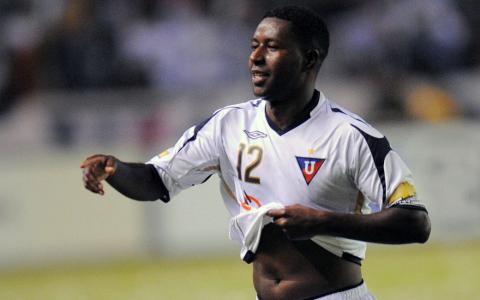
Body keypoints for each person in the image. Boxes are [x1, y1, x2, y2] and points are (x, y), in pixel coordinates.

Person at [81, 6, 430, 300]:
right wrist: (116, 169)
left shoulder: (350, 136)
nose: (256, 58)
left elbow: (415, 221)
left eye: (272, 47)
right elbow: (158, 179)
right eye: (254, 46)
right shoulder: (227, 125)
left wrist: (322, 221)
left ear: (309, 58)